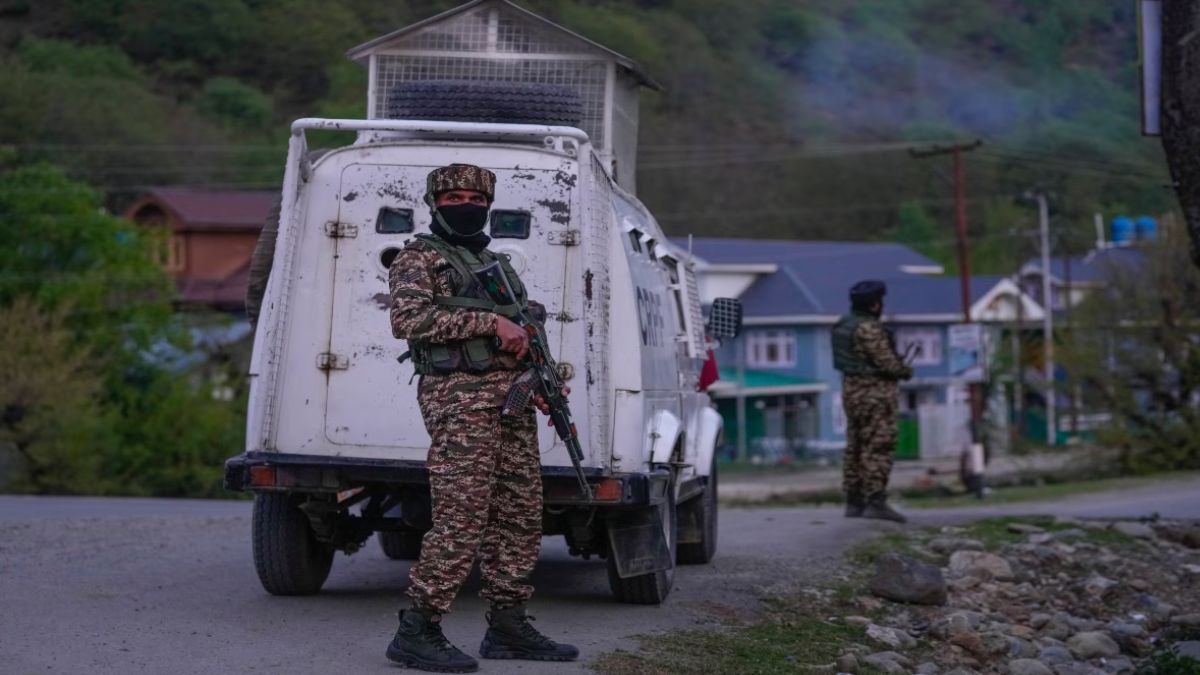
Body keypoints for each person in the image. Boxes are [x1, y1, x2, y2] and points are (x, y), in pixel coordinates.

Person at [385, 164, 578, 672]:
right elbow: (408, 320)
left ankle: (508, 624)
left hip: (510, 398)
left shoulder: (495, 262)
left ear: (488, 203)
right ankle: (418, 628)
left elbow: (526, 332)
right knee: (461, 515)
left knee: (519, 513)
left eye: (474, 196)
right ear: (434, 203)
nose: (465, 205)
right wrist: (489, 321)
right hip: (460, 399)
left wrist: (546, 380)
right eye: (453, 198)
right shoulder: (418, 257)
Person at [831, 279, 913, 523]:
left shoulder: (843, 325)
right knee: (879, 444)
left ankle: (854, 500)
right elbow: (887, 363)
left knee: (856, 445)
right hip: (874, 393)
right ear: (876, 304)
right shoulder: (868, 328)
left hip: (851, 392)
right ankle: (875, 500)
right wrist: (904, 370)